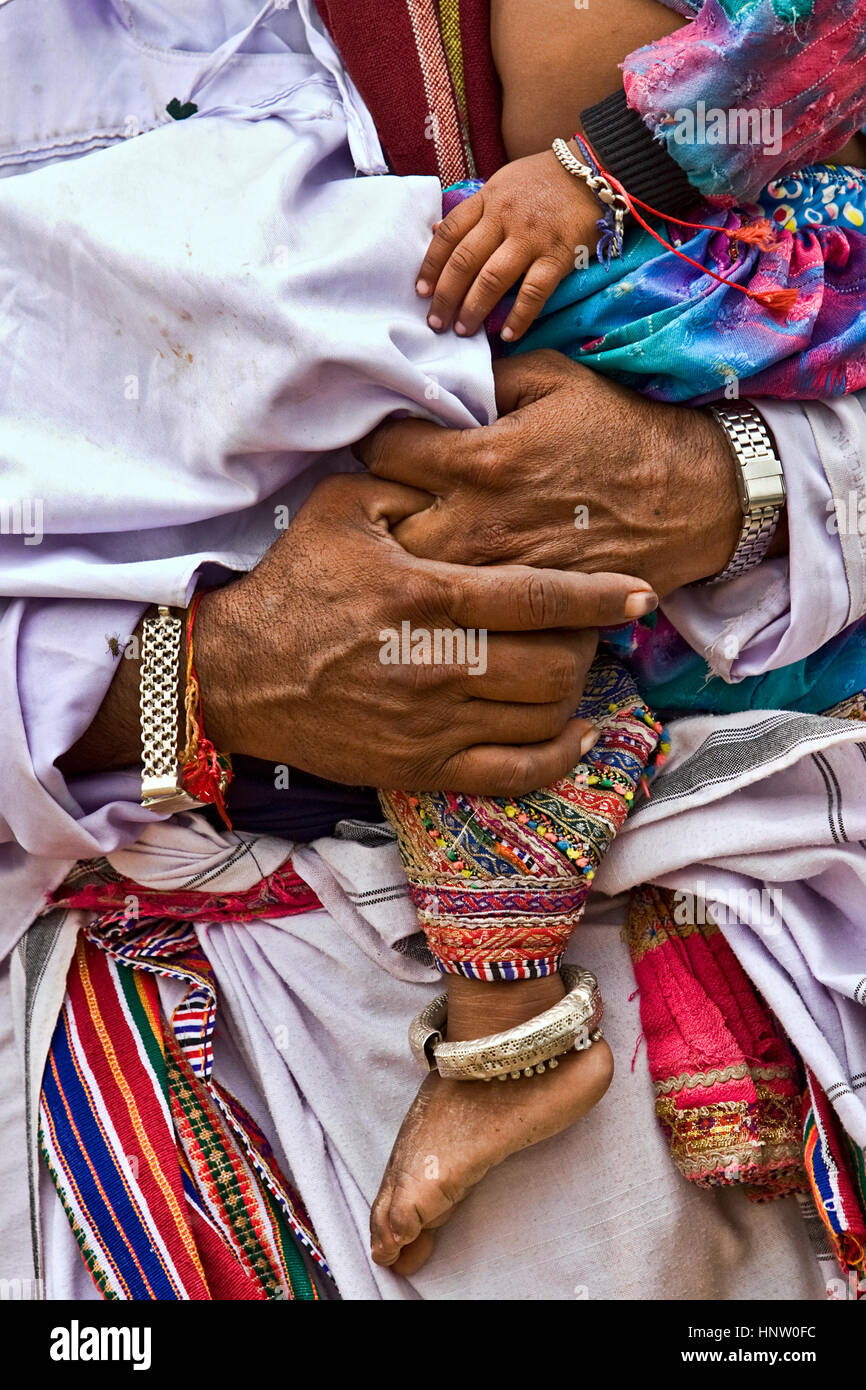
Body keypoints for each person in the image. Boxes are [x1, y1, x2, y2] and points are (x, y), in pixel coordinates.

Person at [0, 0, 863, 1300]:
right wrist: (193, 681)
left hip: (700, 962)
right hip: (117, 1083)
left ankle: (509, 1020)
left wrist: (730, 488)